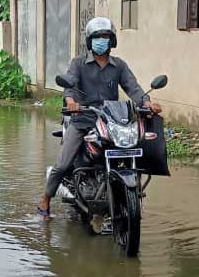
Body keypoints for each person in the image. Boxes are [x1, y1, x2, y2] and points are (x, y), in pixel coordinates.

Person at [38, 17, 162, 217]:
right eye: (97, 37)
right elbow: (69, 84)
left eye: (105, 36)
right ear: (90, 40)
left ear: (111, 40)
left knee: (135, 146)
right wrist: (71, 101)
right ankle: (44, 201)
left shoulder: (119, 66)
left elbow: (133, 88)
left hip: (111, 122)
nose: (101, 40)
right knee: (62, 164)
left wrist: (147, 103)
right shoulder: (78, 63)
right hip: (82, 119)